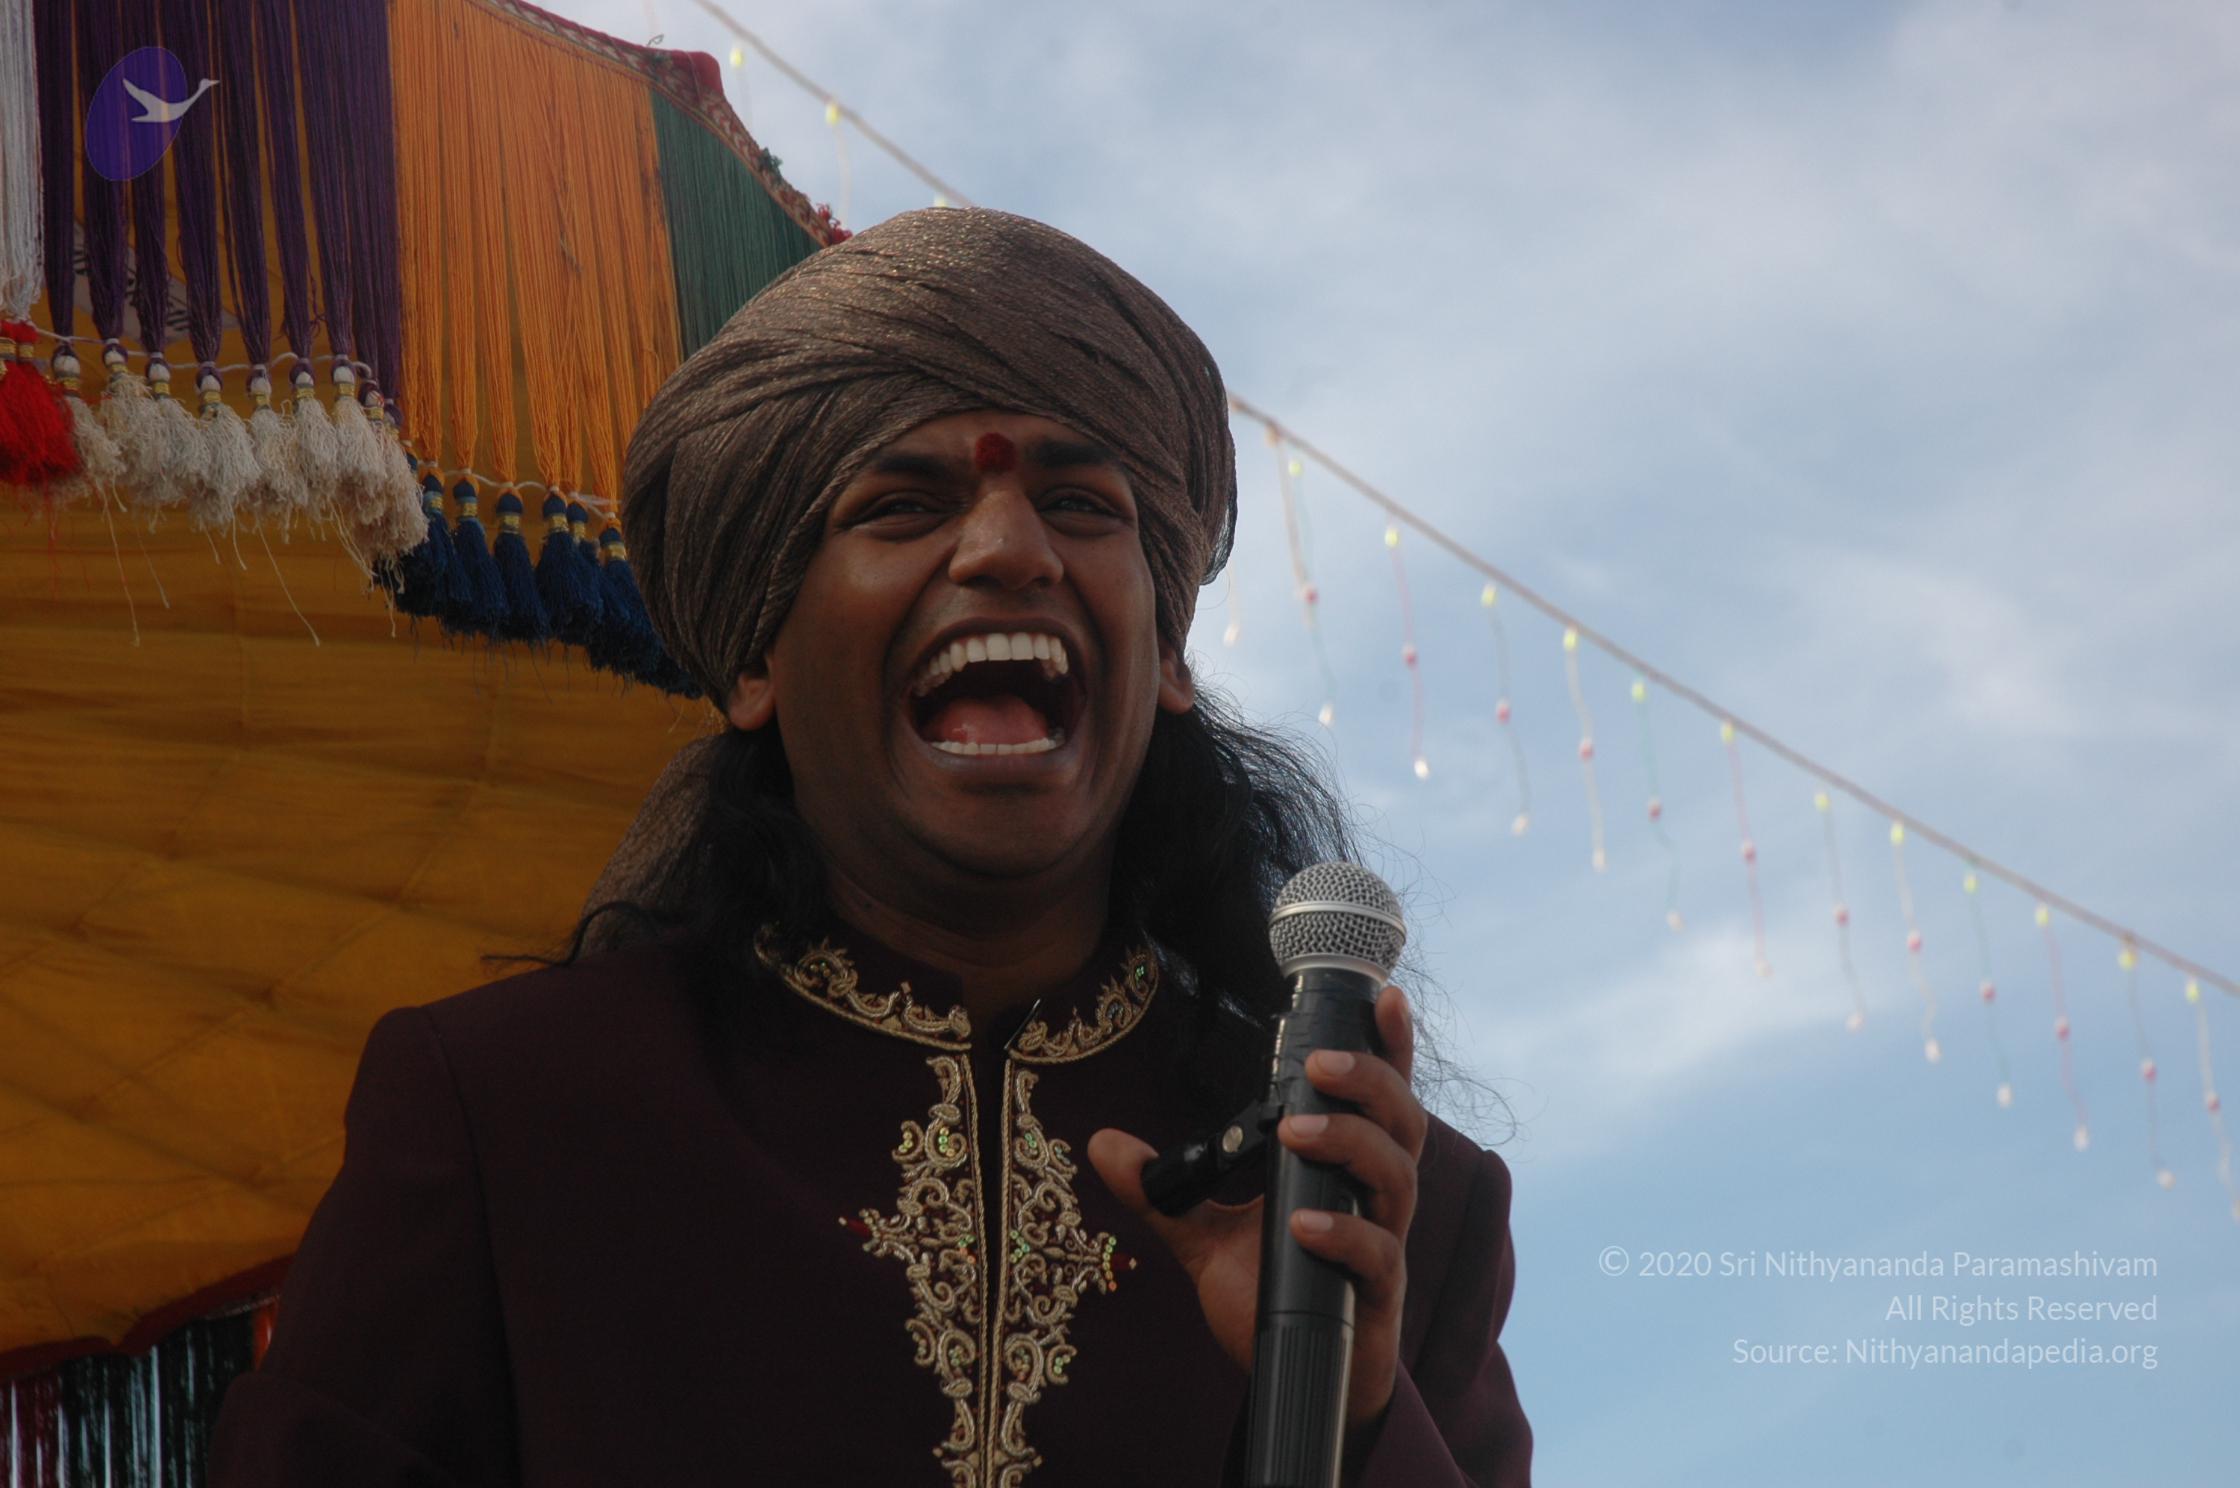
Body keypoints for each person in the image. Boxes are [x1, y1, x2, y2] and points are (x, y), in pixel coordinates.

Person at [209, 207, 1532, 1486]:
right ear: (755, 663)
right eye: (901, 507)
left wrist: (1349, 1415)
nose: (1007, 549)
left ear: (1171, 652)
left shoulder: (1383, 1210)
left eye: (1082, 505)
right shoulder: (512, 1113)